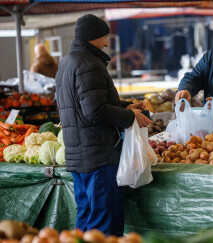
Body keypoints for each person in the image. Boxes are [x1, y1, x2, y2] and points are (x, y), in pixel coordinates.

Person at [55, 14, 152, 236]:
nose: (107, 43)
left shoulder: (68, 61)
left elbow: (86, 105)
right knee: (103, 225)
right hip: (99, 157)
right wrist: (130, 117)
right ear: (93, 38)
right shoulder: (90, 63)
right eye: (104, 37)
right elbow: (95, 111)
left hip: (80, 157)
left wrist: (125, 106)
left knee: (86, 220)